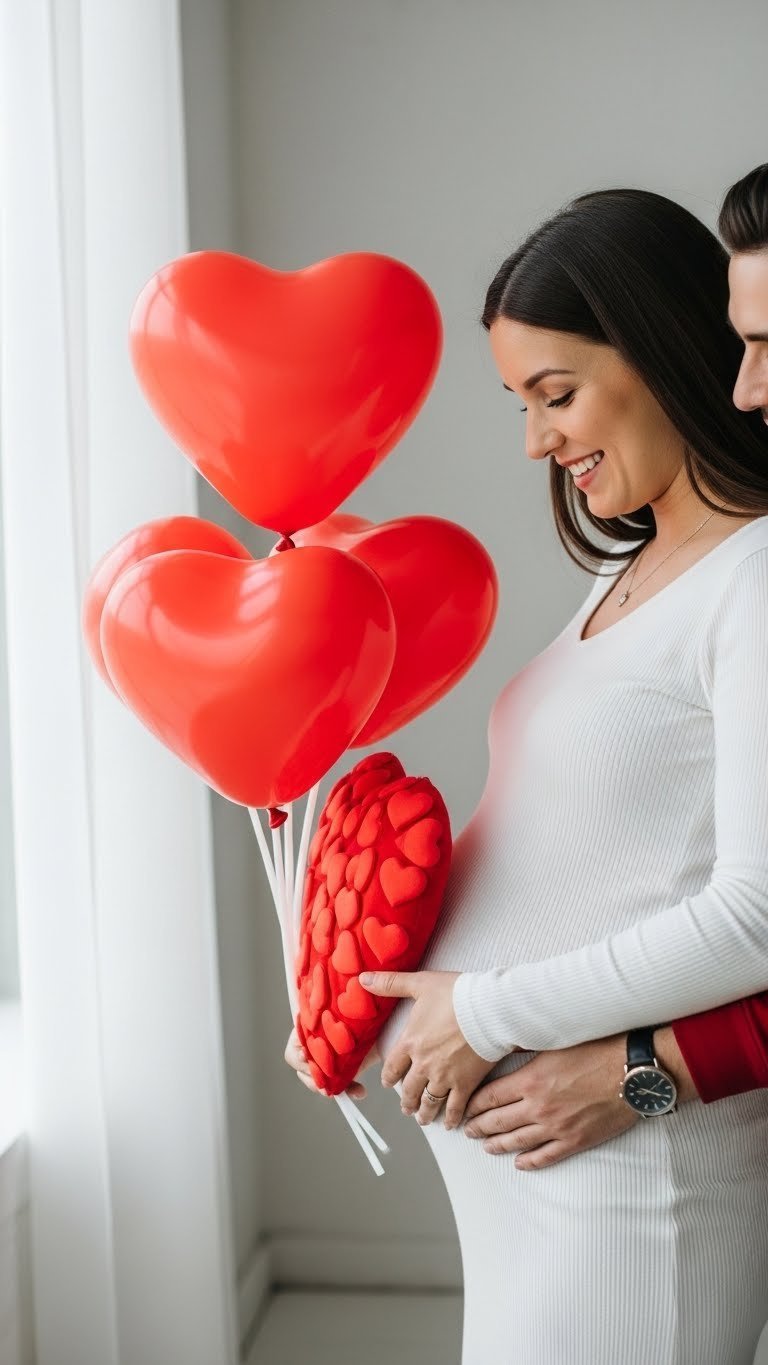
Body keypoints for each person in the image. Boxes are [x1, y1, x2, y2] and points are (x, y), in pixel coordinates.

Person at [287, 185, 768, 1363]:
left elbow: (757, 917)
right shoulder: (636, 569)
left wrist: (485, 1011)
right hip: (542, 1177)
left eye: (556, 395)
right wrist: (355, 985)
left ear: (664, 348)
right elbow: (579, 843)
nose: (536, 441)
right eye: (522, 404)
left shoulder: (756, 581)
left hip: (636, 1181)